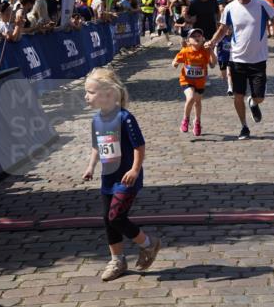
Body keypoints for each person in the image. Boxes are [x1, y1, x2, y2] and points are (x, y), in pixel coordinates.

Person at [82, 68, 160, 281]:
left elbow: (139, 146)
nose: (86, 96)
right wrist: (90, 167)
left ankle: (148, 244)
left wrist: (135, 169)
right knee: (108, 220)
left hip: (126, 178)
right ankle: (117, 260)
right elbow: (97, 147)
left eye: (90, 91)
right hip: (108, 178)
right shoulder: (96, 120)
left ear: (107, 94)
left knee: (116, 217)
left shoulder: (125, 118)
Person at [209, 0, 274, 140]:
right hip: (237, 59)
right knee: (238, 95)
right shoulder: (230, 8)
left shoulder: (261, 5)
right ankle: (244, 126)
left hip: (258, 59)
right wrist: (212, 42)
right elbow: (223, 29)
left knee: (260, 96)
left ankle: (253, 102)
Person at [172, 27, 216, 136]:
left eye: (198, 36)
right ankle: (185, 119)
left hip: (200, 81)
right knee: (190, 98)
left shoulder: (205, 51)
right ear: (188, 41)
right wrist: (175, 64)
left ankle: (197, 122)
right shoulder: (186, 51)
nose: (196, 38)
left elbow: (213, 64)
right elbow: (176, 60)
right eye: (193, 36)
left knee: (197, 102)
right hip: (186, 80)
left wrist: (211, 50)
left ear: (203, 39)